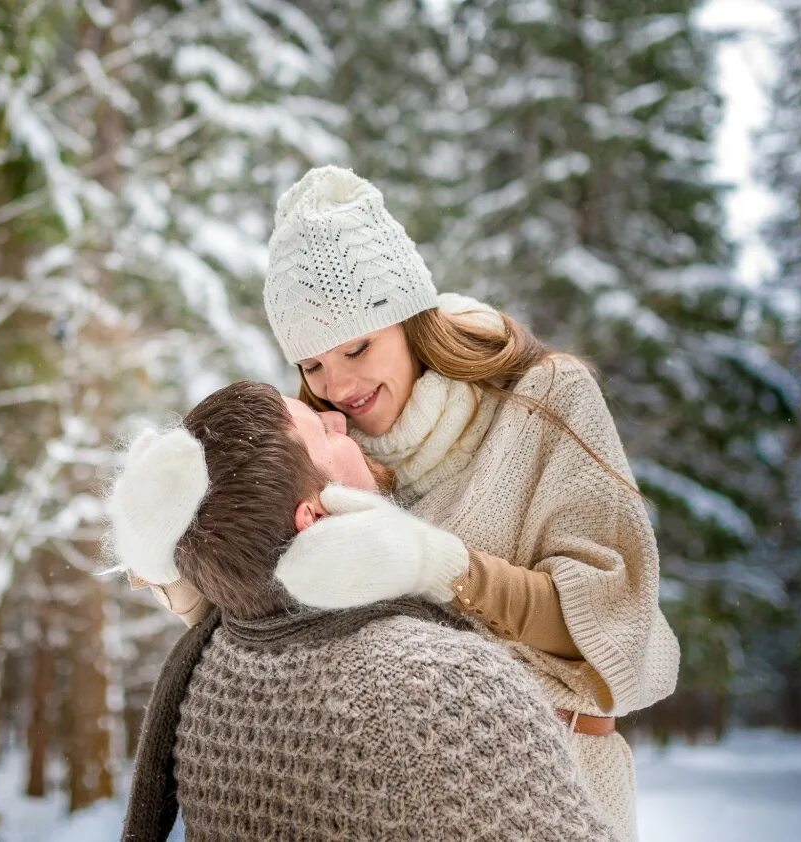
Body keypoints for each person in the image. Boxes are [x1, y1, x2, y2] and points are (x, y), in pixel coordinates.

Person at [145, 166, 681, 841]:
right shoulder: (329, 453)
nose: (336, 385)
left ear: (409, 318)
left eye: (356, 346)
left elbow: (614, 628)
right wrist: (169, 558)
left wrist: (441, 567)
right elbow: (263, 602)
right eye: (311, 366)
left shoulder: (543, 399)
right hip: (393, 799)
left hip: (561, 776)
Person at [109, 380, 618, 842]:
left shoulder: (205, 681)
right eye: (321, 434)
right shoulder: (443, 685)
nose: (335, 417)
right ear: (315, 515)